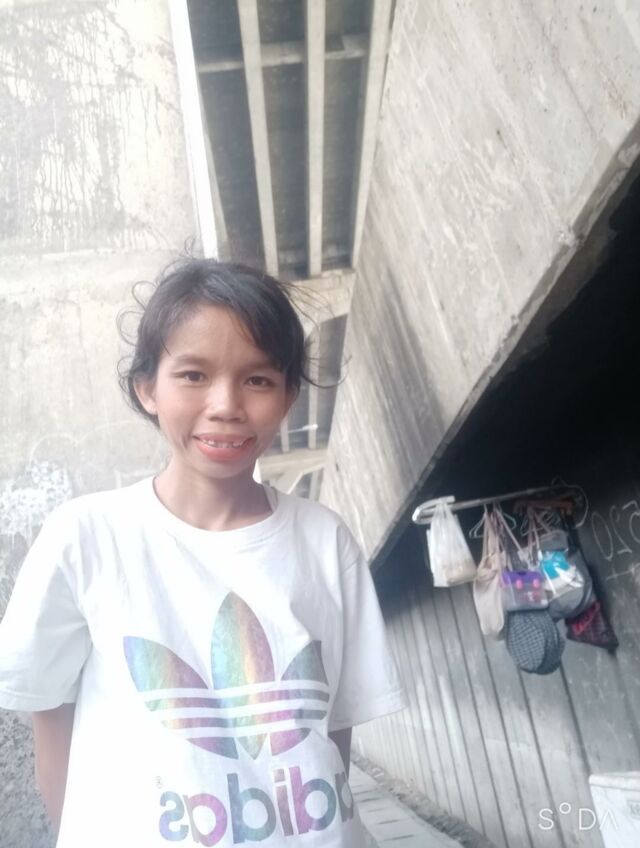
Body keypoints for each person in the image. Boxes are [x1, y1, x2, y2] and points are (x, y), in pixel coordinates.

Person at [0, 258, 406, 848]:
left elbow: (332, 730)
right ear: (147, 389)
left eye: (258, 380)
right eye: (193, 375)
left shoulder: (325, 540)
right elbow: (49, 716)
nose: (226, 404)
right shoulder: (86, 538)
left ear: (288, 396)